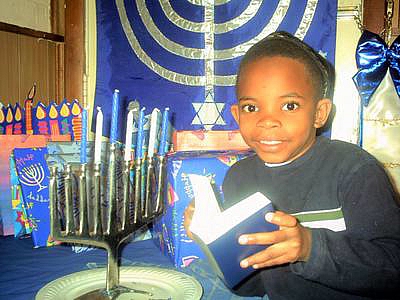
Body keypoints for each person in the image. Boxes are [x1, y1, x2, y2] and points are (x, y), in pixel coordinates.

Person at [185, 31, 400, 299]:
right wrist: (212, 244)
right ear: (237, 115)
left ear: (319, 113)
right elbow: (252, 285)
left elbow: (393, 269)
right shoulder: (238, 179)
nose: (268, 121)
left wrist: (310, 248)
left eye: (289, 105)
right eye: (252, 108)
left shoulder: (355, 169)